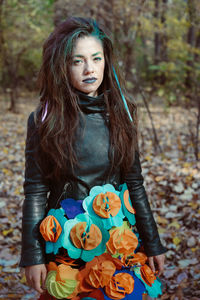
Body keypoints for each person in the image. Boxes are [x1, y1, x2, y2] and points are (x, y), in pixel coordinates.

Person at [20, 17, 167, 299]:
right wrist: (32, 255)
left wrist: (153, 243)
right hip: (66, 242)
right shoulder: (44, 119)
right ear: (62, 67)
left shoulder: (122, 113)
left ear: (105, 61)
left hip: (116, 237)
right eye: (78, 61)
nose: (90, 69)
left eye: (96, 58)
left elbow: (135, 183)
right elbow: (36, 189)